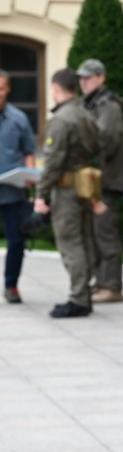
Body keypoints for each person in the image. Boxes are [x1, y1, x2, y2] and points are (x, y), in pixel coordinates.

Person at [33, 68, 102, 318]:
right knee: (83, 241)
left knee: (71, 243)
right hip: (84, 186)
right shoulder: (86, 114)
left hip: (66, 189)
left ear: (56, 88)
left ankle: (78, 298)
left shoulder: (62, 119)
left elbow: (53, 161)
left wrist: (40, 194)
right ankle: (84, 293)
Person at [77, 58, 123, 304]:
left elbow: (106, 139)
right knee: (94, 234)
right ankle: (101, 282)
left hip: (104, 181)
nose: (83, 82)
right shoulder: (90, 102)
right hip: (92, 180)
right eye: (81, 78)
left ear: (101, 78)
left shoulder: (108, 105)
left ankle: (112, 286)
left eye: (89, 77)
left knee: (105, 233)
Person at [0, 68, 37, 304]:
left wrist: (30, 176)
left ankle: (11, 285)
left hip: (13, 191)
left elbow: (29, 152)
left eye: (1, 88)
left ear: (8, 90)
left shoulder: (19, 119)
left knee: (16, 240)